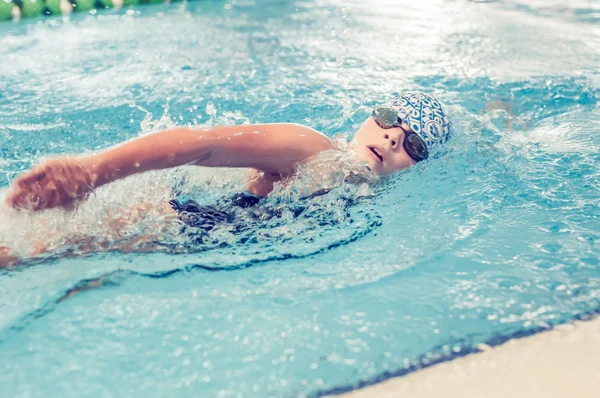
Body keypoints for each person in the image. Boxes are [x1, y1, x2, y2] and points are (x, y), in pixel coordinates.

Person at [0, 91, 451, 267]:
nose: (394, 139)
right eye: (390, 119)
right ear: (368, 117)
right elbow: (206, 142)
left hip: (199, 245)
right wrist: (92, 171)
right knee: (24, 253)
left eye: (414, 145)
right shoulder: (313, 150)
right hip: (177, 222)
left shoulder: (368, 197)